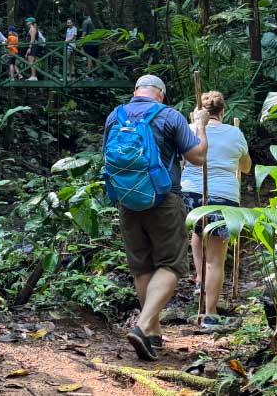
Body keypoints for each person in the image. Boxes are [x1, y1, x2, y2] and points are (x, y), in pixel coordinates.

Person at [103, 75, 209, 361]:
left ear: (136, 91)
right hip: (164, 199)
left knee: (142, 265)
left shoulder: (116, 115)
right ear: (160, 94)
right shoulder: (169, 116)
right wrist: (199, 123)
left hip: (127, 201)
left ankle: (152, 334)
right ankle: (141, 325)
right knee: (171, 264)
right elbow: (198, 156)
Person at [181, 91, 251, 327]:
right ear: (223, 111)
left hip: (191, 193)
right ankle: (210, 314)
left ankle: (201, 280)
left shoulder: (190, 129)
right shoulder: (234, 133)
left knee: (198, 231)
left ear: (200, 110)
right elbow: (246, 166)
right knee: (216, 260)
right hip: (224, 197)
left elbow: (181, 162)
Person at [24, 17, 40, 81]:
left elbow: (32, 39)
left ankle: (33, 76)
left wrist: (29, 47)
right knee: (30, 61)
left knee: (31, 61)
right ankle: (33, 75)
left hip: (33, 46)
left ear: (31, 22)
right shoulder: (32, 28)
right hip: (33, 46)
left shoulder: (32, 29)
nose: (26, 22)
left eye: (27, 21)